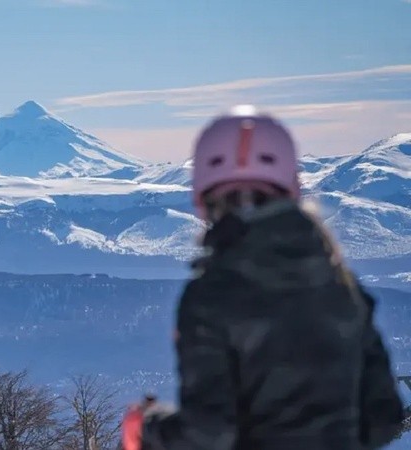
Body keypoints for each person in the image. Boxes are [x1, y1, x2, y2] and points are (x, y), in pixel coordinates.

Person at [122, 106, 404, 450]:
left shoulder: (211, 295)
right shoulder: (341, 287)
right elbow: (383, 419)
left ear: (203, 198)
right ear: (291, 188)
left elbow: (208, 435)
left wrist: (147, 426)